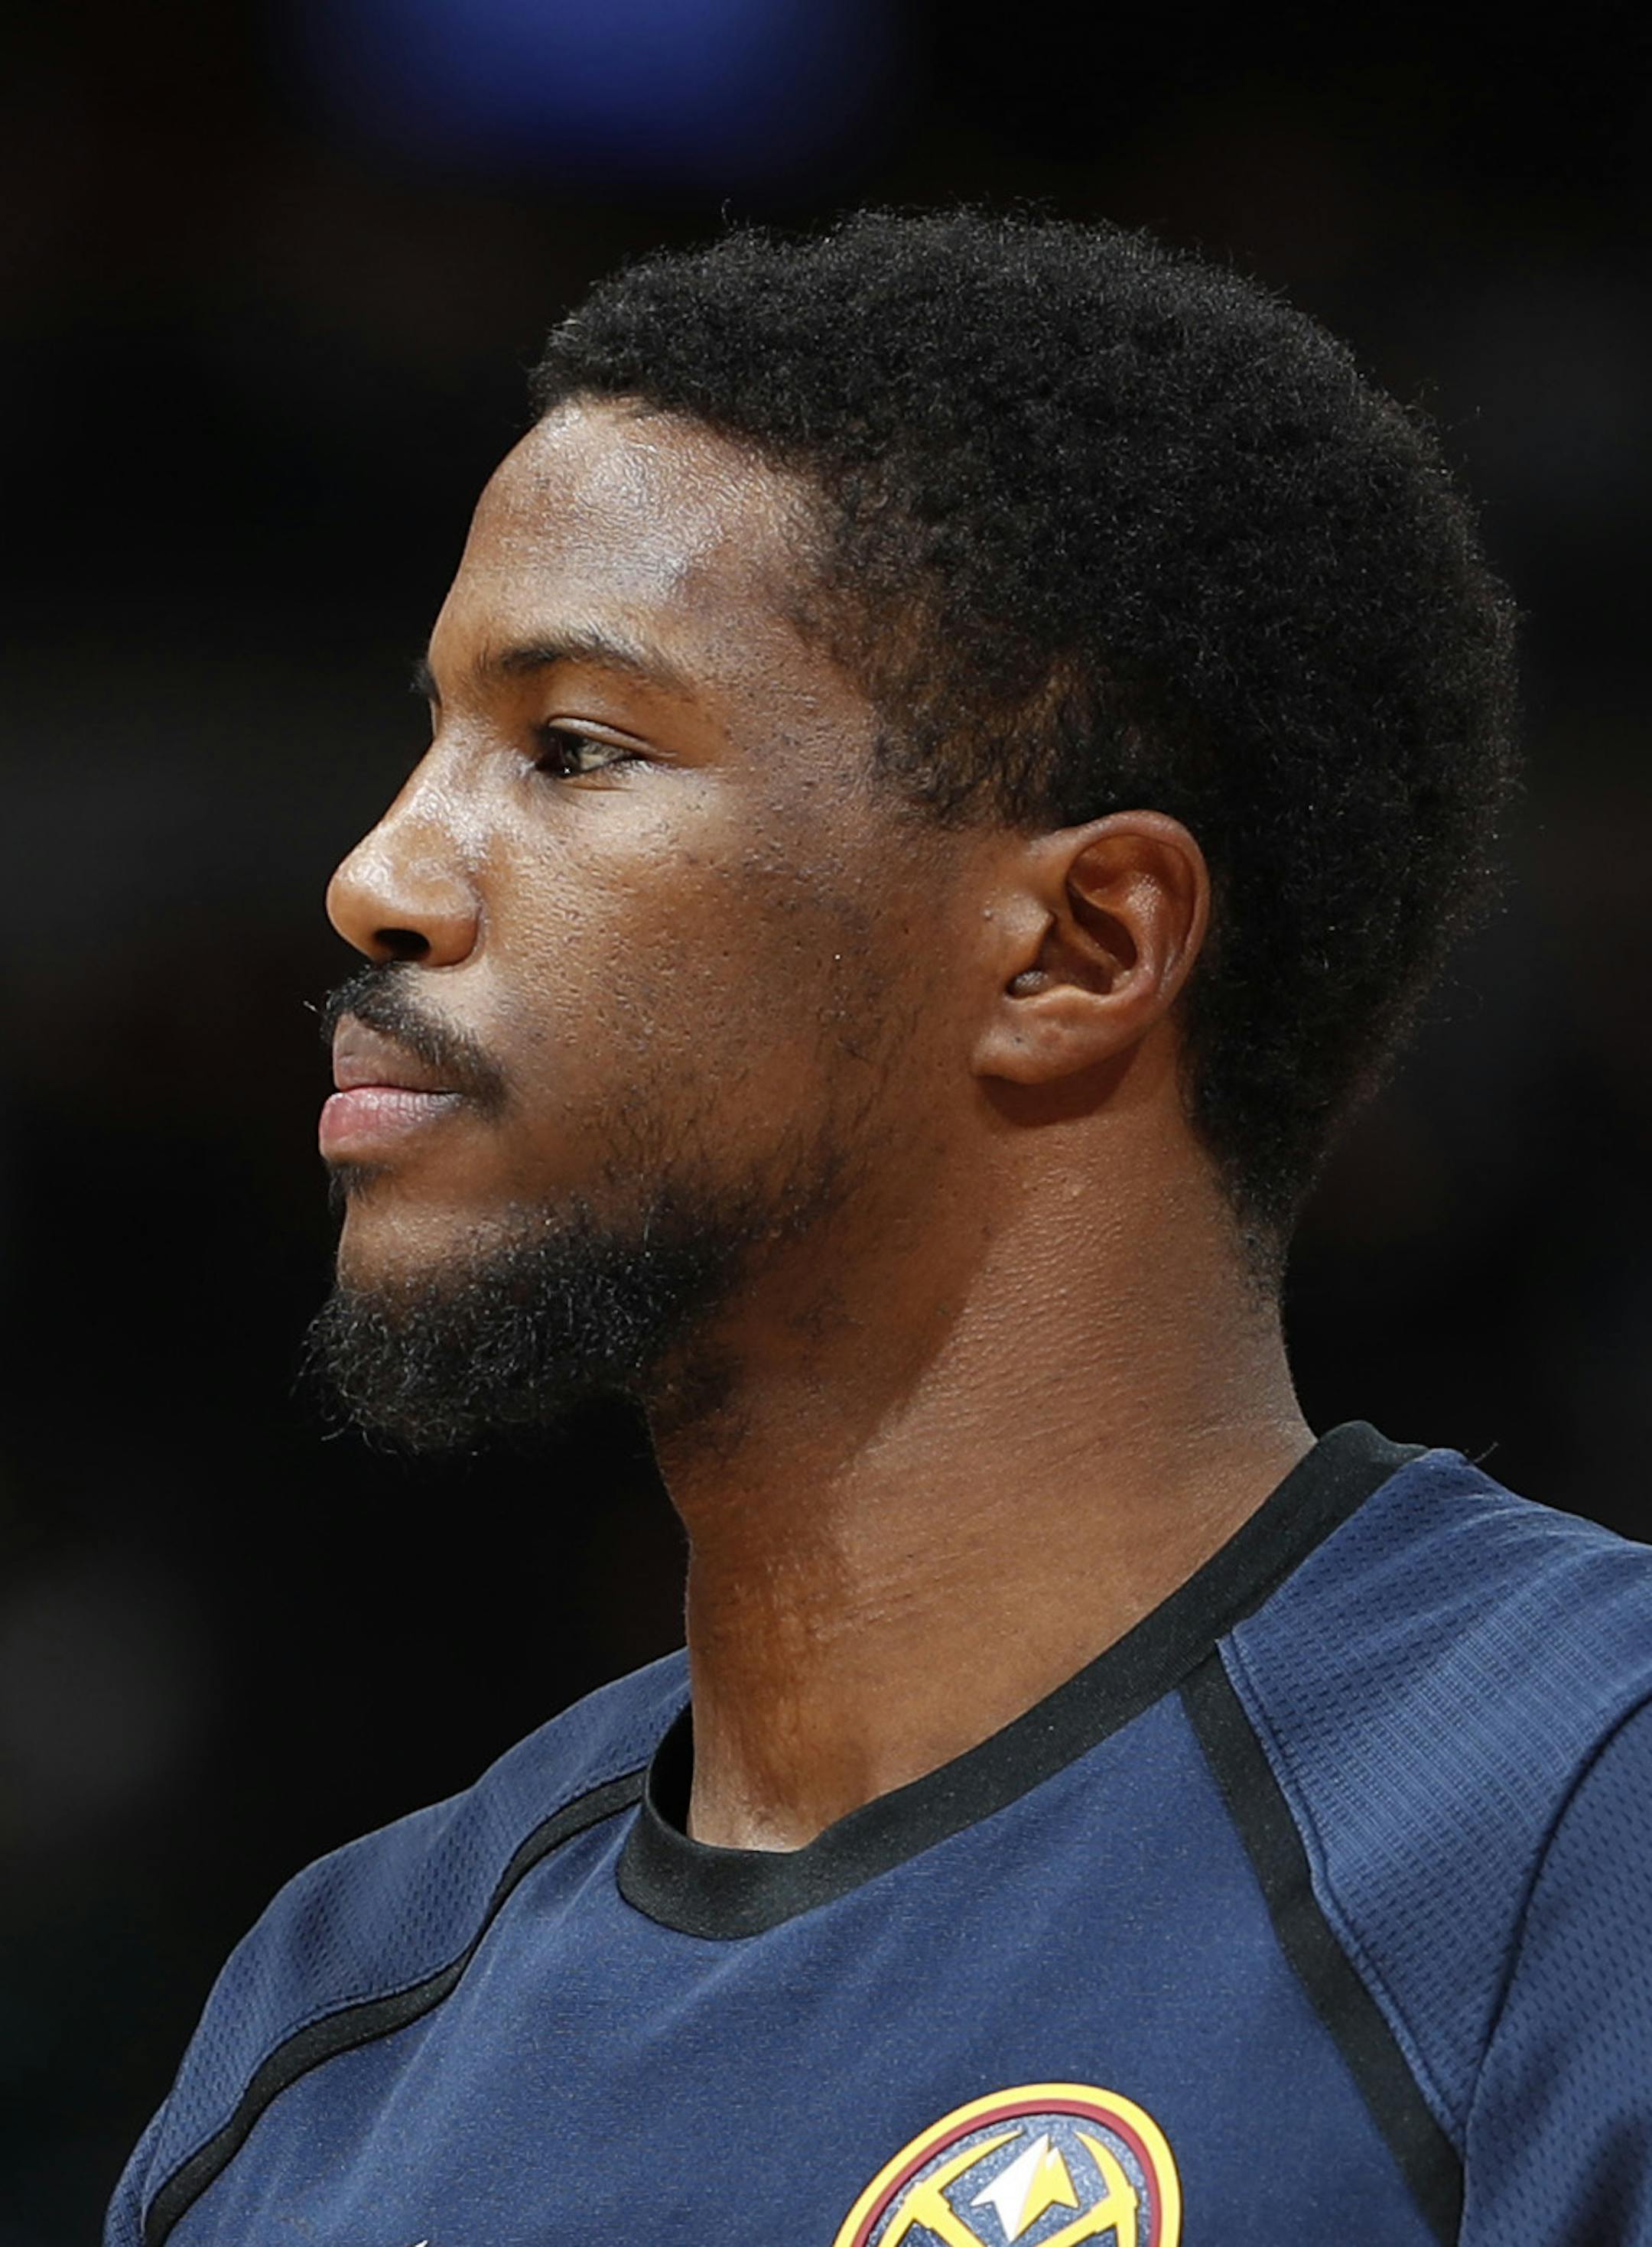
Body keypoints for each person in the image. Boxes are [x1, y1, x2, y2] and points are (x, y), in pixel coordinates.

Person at [107, 210, 1651, 2247]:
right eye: (432, 737)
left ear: (1080, 945)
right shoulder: (329, 2026)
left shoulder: (1571, 1818)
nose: (377, 874)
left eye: (570, 745)